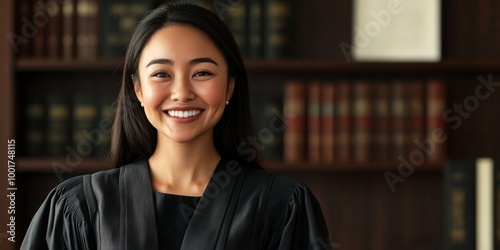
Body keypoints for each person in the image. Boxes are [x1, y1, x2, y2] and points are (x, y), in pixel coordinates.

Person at [21, 3, 332, 249]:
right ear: (137, 89)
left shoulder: (282, 205)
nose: (182, 93)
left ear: (230, 87)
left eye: (202, 73)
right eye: (161, 74)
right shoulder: (80, 207)